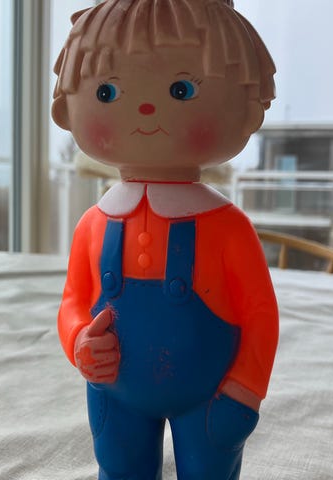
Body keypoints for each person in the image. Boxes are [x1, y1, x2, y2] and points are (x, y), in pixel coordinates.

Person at [53, 1, 279, 478]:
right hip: (115, 394)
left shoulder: (227, 227)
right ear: (65, 109)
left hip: (213, 398)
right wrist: (78, 341)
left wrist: (246, 388)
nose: (146, 109)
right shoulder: (93, 224)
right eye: (108, 92)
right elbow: (73, 301)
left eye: (182, 90)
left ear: (249, 109)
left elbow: (260, 314)